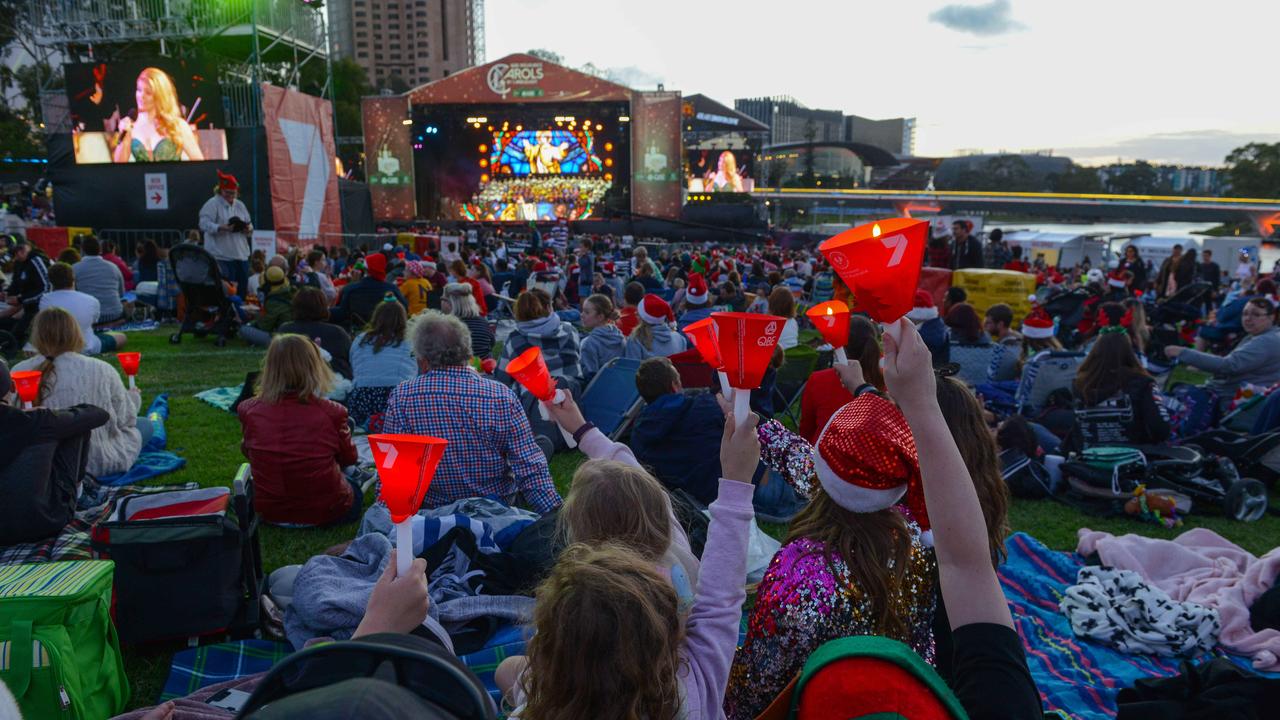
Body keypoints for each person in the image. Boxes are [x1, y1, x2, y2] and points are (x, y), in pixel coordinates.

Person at [506, 396, 757, 720]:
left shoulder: (541, 701)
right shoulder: (696, 691)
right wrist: (737, 481)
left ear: (553, 653)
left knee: (508, 671)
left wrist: (581, 429)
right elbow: (720, 598)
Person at [726, 389, 937, 720]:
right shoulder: (914, 536)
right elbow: (810, 464)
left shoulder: (798, 571)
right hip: (904, 704)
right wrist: (750, 421)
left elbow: (758, 688)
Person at [384, 311, 560, 513]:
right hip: (497, 508)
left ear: (423, 360)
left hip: (436, 510)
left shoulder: (402, 397)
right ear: (467, 353)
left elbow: (397, 475)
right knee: (540, 446)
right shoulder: (500, 395)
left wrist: (390, 524)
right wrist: (556, 516)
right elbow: (529, 468)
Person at [237, 335, 362, 526]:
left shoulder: (248, 409)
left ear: (270, 368)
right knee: (355, 488)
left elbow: (248, 451)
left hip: (269, 511)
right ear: (315, 367)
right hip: (327, 510)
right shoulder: (332, 412)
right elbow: (349, 459)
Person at [14, 307, 148, 477]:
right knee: (145, 425)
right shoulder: (101, 369)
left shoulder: (20, 371)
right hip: (98, 459)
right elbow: (127, 418)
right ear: (75, 333)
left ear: (37, 335)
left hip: (40, 465)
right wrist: (133, 398)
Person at [0, 358, 110, 545]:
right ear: (12, 386)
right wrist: (51, 414)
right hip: (45, 522)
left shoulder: (34, 422)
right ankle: (79, 494)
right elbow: (98, 414)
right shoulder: (38, 421)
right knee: (76, 426)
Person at [628, 356, 727, 505]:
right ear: (674, 385)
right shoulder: (705, 407)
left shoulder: (638, 433)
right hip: (727, 490)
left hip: (685, 502)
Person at [1068, 328, 1171, 452]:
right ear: (1130, 353)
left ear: (1095, 352)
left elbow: (1076, 429)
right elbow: (1161, 429)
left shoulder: (1080, 383)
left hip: (1088, 457)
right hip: (1134, 458)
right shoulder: (1143, 383)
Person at [1165, 297, 1280, 401]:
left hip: (1226, 400)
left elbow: (1228, 365)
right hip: (1233, 396)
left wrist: (1181, 352)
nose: (1248, 319)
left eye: (1256, 314)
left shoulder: (1266, 341)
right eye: (1244, 314)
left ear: (1271, 317)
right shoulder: (1263, 336)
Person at [798, 315, 884, 442]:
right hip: (866, 456)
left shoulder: (819, 380)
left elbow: (806, 432)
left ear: (841, 346)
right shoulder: (887, 381)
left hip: (823, 456)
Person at [347, 301, 417, 429]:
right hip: (397, 395)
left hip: (362, 396)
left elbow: (353, 366)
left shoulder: (361, 339)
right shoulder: (410, 341)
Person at [111, 67, 204, 162]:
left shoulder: (177, 126)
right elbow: (118, 168)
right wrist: (124, 139)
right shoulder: (130, 128)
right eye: (139, 90)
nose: (141, 96)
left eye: (148, 93)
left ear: (160, 96)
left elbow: (200, 165)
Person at [39, 262, 127, 355]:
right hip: (86, 347)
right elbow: (93, 322)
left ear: (51, 281)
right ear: (73, 278)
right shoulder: (91, 300)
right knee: (121, 337)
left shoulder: (44, 300)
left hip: (56, 348)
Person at [498, 288, 582, 383]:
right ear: (548, 307)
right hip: (572, 391)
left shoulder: (514, 340)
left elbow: (502, 378)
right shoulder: (570, 330)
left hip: (533, 395)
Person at [279, 287, 354, 380]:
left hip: (297, 383)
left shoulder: (285, 330)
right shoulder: (337, 332)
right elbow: (352, 360)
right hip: (334, 384)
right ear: (324, 306)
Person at [198, 171, 253, 297]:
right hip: (221, 257)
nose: (230, 195)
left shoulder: (240, 205)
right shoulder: (212, 204)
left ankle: (239, 315)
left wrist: (248, 229)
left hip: (241, 255)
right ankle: (227, 315)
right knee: (226, 292)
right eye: (227, 192)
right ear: (220, 190)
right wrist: (221, 227)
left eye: (233, 193)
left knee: (242, 290)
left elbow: (250, 224)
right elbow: (203, 223)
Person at [329, 253, 408, 331]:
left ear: (366, 269)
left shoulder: (351, 289)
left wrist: (324, 311)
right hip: (386, 332)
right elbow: (404, 309)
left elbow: (341, 313)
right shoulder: (392, 289)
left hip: (358, 332)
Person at [71, 236, 126, 325]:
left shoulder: (74, 269)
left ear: (82, 250)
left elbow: (72, 294)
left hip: (88, 316)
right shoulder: (113, 267)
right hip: (115, 314)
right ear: (100, 249)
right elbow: (121, 294)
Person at [238, 265, 294, 347]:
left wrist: (253, 318)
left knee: (244, 329)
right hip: (293, 334)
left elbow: (264, 326)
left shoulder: (273, 300)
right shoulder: (289, 292)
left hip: (282, 339)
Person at [623, 294, 688, 360]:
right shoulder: (680, 339)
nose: (636, 313)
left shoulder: (635, 341)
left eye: (638, 312)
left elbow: (631, 369)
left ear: (643, 317)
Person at [442, 281, 493, 359]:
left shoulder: (447, 326)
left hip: (459, 368)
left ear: (450, 303)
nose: (441, 302)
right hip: (484, 367)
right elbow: (492, 343)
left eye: (443, 299)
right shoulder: (483, 322)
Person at [579, 293, 625, 379]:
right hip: (619, 387)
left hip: (598, 389)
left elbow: (589, 376)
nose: (582, 315)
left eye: (587, 312)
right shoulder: (620, 337)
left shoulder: (589, 343)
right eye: (582, 311)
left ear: (600, 317)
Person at [984, 303, 1022, 381]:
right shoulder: (1018, 337)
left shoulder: (1008, 345)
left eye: (989, 323)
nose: (985, 326)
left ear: (1000, 324)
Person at [768, 286, 800, 350]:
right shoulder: (793, 322)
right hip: (793, 355)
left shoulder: (771, 324)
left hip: (779, 357)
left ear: (772, 304)